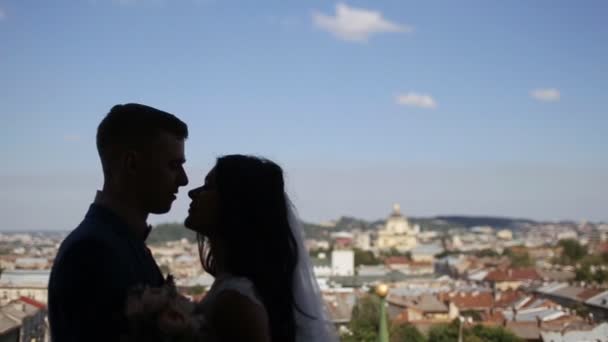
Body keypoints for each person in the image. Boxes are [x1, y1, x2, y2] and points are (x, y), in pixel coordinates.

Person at [48, 103, 189, 342]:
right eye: (173, 165)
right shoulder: (93, 252)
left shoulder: (110, 241)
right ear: (132, 164)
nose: (184, 180)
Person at [184, 154, 337, 342]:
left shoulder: (236, 300)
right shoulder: (234, 289)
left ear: (235, 205)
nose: (193, 193)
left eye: (209, 186)